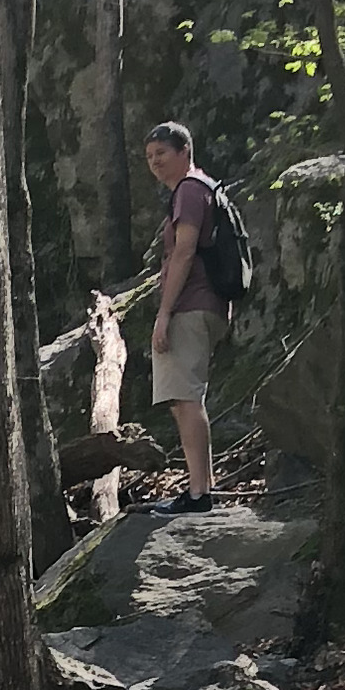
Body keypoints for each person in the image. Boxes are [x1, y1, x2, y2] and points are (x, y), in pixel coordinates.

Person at [143, 118, 229, 513]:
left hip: (191, 305)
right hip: (205, 305)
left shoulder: (190, 191)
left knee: (184, 399)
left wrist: (164, 313)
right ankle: (201, 487)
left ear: (184, 152)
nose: (155, 162)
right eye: (149, 156)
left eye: (161, 153)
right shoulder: (199, 190)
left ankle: (198, 495)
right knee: (187, 398)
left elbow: (184, 249)